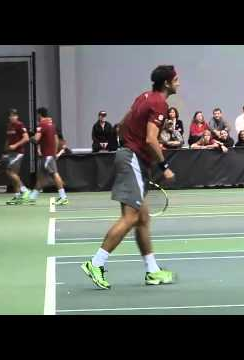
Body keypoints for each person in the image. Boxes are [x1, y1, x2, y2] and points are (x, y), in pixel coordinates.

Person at [80, 65, 178, 289]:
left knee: (142, 218)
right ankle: (96, 263)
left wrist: (132, 145)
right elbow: (151, 139)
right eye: (176, 79)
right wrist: (164, 166)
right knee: (131, 218)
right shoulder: (160, 103)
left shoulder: (144, 96)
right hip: (132, 159)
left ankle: (152, 271)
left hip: (131, 157)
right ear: (167, 83)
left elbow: (122, 125)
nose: (179, 82)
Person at [29, 107, 69, 206]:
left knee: (55, 174)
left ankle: (63, 197)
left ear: (39, 115)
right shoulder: (52, 125)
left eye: (37, 115)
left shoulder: (41, 124)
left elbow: (36, 139)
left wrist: (30, 137)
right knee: (41, 177)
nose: (37, 117)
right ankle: (32, 196)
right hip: (49, 155)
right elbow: (56, 139)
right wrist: (54, 153)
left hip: (47, 155)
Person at [4, 109, 30, 205]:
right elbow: (8, 140)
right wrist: (5, 151)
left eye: (14, 115)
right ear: (9, 117)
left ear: (17, 116)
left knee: (10, 172)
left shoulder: (20, 125)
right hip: (10, 153)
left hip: (18, 153)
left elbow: (26, 138)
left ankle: (25, 190)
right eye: (11, 115)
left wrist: (15, 145)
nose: (13, 117)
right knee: (13, 174)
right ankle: (17, 196)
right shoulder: (9, 126)